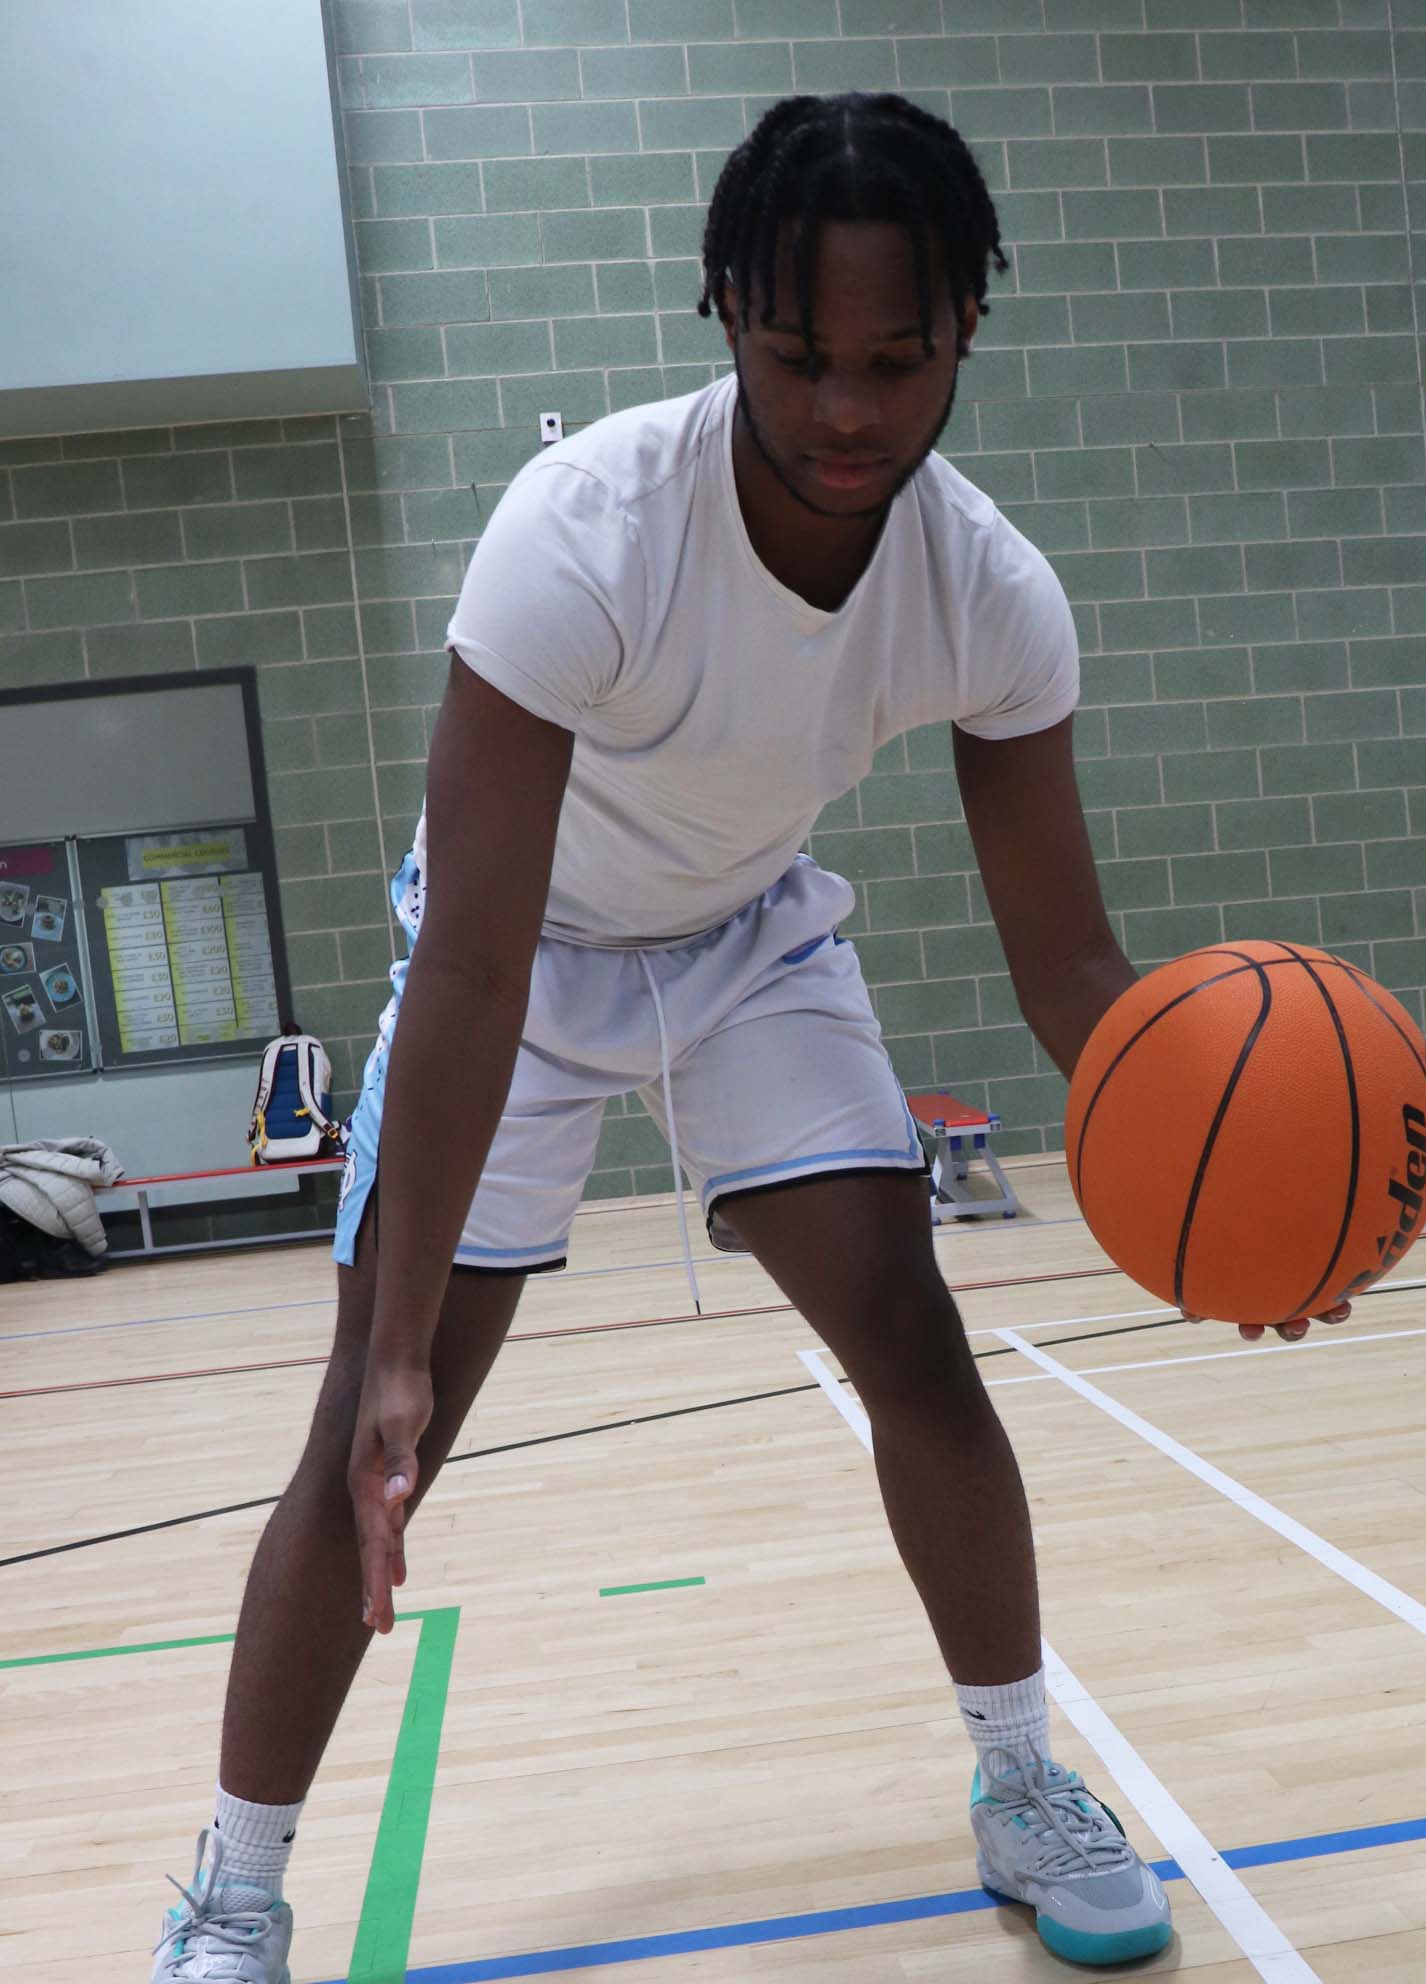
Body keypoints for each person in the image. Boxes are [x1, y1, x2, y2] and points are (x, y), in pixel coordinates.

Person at [150, 92, 1339, 1981]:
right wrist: (398, 1341)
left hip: (748, 944)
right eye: (800, 356)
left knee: (916, 1348)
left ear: (967, 330)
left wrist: (1250, 1198)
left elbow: (1071, 970)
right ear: (725, 314)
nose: (848, 410)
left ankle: (1021, 1782)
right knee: (368, 1428)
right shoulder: (582, 536)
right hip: (518, 963)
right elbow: (468, 971)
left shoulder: (989, 592)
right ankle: (233, 1889)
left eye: (898, 359)